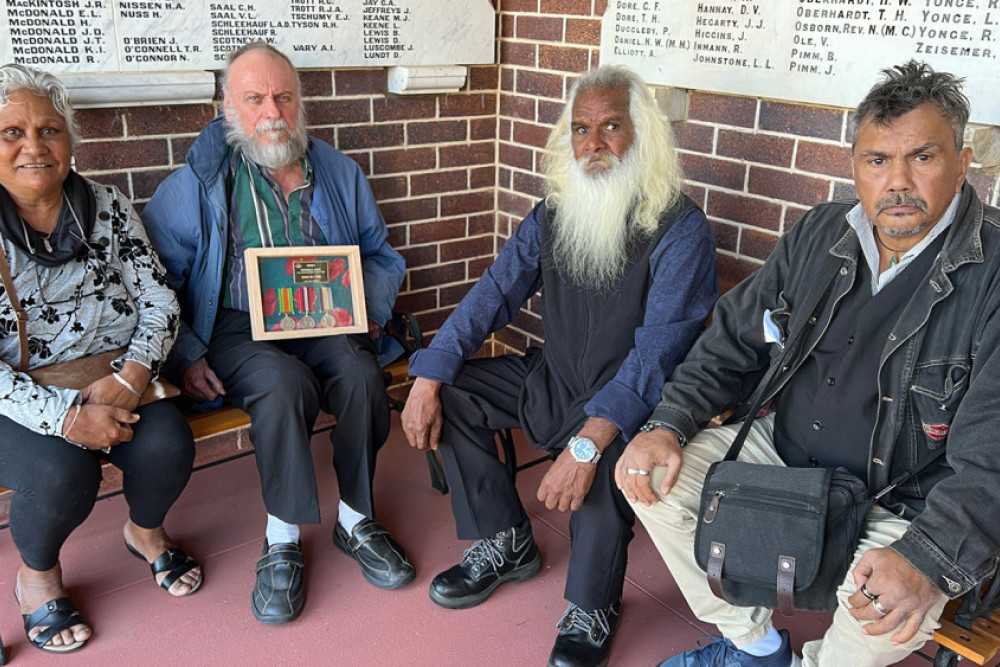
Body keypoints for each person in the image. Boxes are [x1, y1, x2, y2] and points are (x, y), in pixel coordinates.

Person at [617, 60, 997, 667]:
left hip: (907, 501)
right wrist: (668, 422)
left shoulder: (994, 272)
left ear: (962, 160)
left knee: (884, 607)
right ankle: (756, 647)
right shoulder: (821, 233)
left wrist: (929, 558)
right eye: (877, 160)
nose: (897, 181)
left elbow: (991, 456)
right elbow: (733, 339)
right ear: (854, 167)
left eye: (922, 157)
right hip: (788, 456)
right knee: (648, 476)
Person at [402, 65, 718, 667]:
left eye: (611, 127)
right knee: (459, 393)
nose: (593, 144)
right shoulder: (553, 214)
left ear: (642, 136)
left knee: (603, 452)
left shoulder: (682, 230)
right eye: (580, 129)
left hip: (634, 400)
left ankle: (594, 604)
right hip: (555, 377)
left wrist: (587, 443)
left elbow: (658, 356)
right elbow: (492, 295)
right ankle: (507, 539)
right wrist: (429, 374)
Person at [141, 42, 411, 625]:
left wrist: (366, 305)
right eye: (256, 98)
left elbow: (383, 258)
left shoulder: (338, 171)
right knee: (283, 384)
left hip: (326, 313)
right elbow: (154, 286)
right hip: (238, 327)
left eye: (284, 97)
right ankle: (282, 538)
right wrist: (186, 353)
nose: (273, 112)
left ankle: (356, 519)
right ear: (228, 106)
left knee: (364, 374)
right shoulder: (197, 186)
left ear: (300, 101)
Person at [0, 64, 202, 654]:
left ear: (70, 140)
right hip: (20, 396)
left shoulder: (106, 205)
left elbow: (158, 295)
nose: (34, 146)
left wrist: (133, 375)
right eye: (11, 132)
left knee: (168, 446)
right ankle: (36, 577)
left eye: (49, 130)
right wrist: (64, 416)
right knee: (64, 472)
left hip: (119, 373)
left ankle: (143, 532)